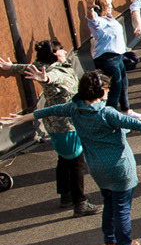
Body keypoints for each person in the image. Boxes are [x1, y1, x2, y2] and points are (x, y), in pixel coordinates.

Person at [2, 70, 141, 245]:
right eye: (107, 89)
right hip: (119, 168)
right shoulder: (106, 113)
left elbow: (49, 110)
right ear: (101, 91)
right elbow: (136, 124)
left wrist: (23, 118)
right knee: (122, 209)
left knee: (109, 202)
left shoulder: (74, 108)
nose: (108, 93)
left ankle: (111, 241)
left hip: (97, 168)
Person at [0, 42, 98, 215]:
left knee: (65, 159)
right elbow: (52, 78)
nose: (64, 50)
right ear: (53, 54)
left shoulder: (45, 66)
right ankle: (80, 202)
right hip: (67, 126)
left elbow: (27, 67)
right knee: (76, 163)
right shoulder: (52, 71)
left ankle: (66, 196)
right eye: (60, 49)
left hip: (55, 125)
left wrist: (10, 67)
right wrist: (44, 79)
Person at [85, 0, 137, 117]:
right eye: (106, 7)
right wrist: (90, 9)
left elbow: (107, 0)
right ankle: (110, 116)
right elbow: (91, 17)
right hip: (107, 59)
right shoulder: (99, 22)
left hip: (118, 57)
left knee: (123, 84)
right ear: (99, 9)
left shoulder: (109, 18)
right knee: (114, 88)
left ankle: (126, 111)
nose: (109, 8)